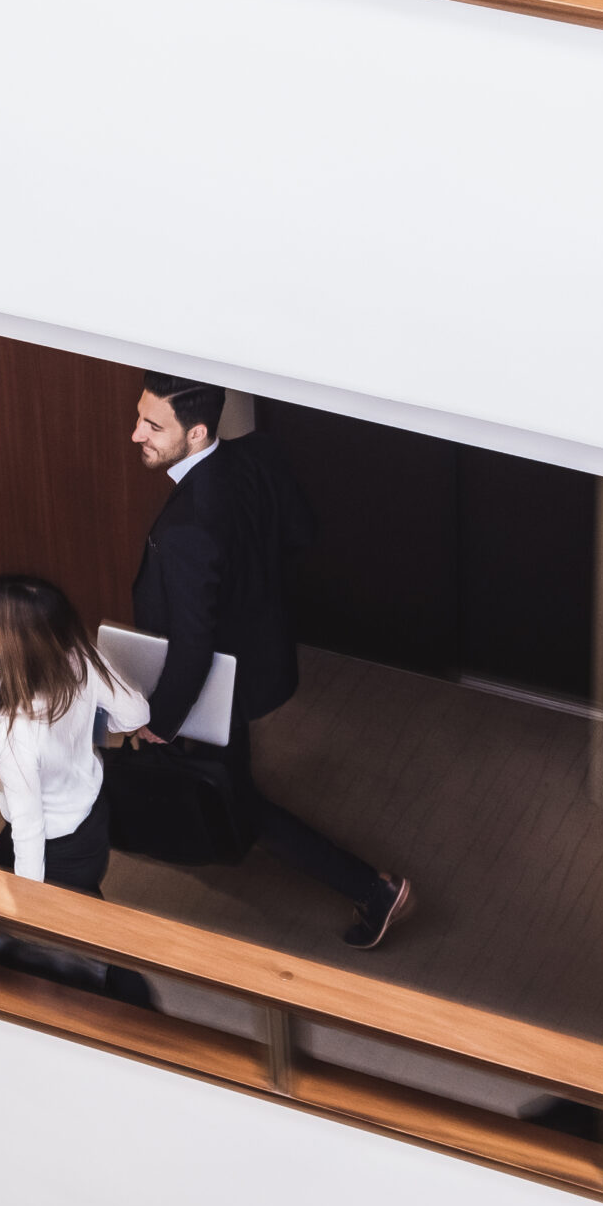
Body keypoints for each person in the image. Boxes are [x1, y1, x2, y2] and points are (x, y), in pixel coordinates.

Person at [125, 372, 414, 949]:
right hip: (258, 657)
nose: (136, 434)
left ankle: (374, 889)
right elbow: (301, 531)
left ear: (198, 431)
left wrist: (161, 719)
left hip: (211, 681)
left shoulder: (186, 530)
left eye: (153, 426)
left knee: (234, 795)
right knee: (221, 779)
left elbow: (192, 644)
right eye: (139, 418)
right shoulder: (256, 454)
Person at [0, 574, 153, 1005]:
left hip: (55, 843)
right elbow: (135, 710)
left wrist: (29, 915)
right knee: (72, 914)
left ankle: (128, 1007)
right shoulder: (77, 658)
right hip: (89, 819)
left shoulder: (14, 732)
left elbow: (29, 826)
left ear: (13, 639)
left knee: (68, 945)